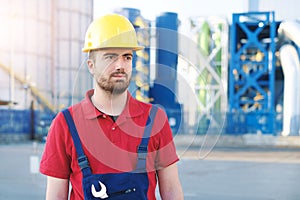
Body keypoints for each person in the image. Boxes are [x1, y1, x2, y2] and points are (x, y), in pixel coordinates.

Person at [40, 13, 183, 200]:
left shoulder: (155, 119)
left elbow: (171, 189)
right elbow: (56, 196)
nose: (120, 65)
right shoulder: (66, 124)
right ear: (91, 65)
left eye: (127, 57)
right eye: (110, 57)